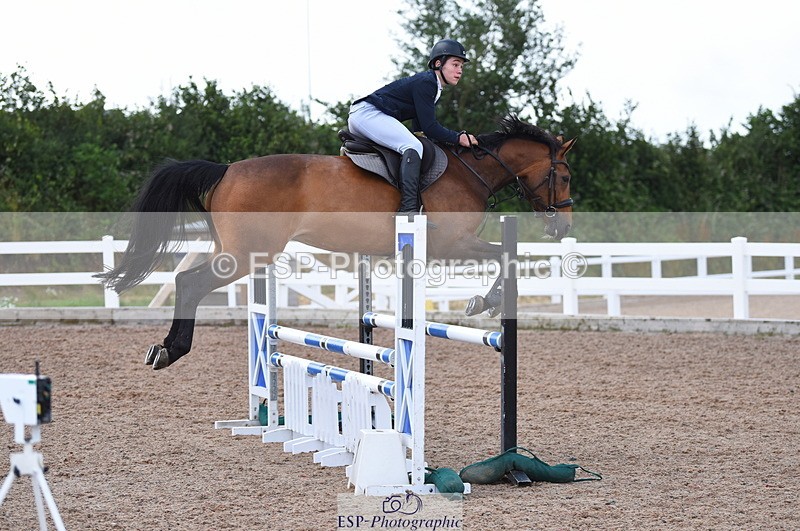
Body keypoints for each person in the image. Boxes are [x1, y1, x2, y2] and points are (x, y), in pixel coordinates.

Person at [348, 39, 479, 216]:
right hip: (368, 114)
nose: (459, 71)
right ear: (438, 64)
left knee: (417, 143)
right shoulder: (427, 83)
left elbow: (421, 129)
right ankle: (408, 209)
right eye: (455, 65)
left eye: (462, 67)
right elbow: (430, 126)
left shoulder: (434, 86)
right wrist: (459, 138)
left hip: (367, 116)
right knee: (413, 146)